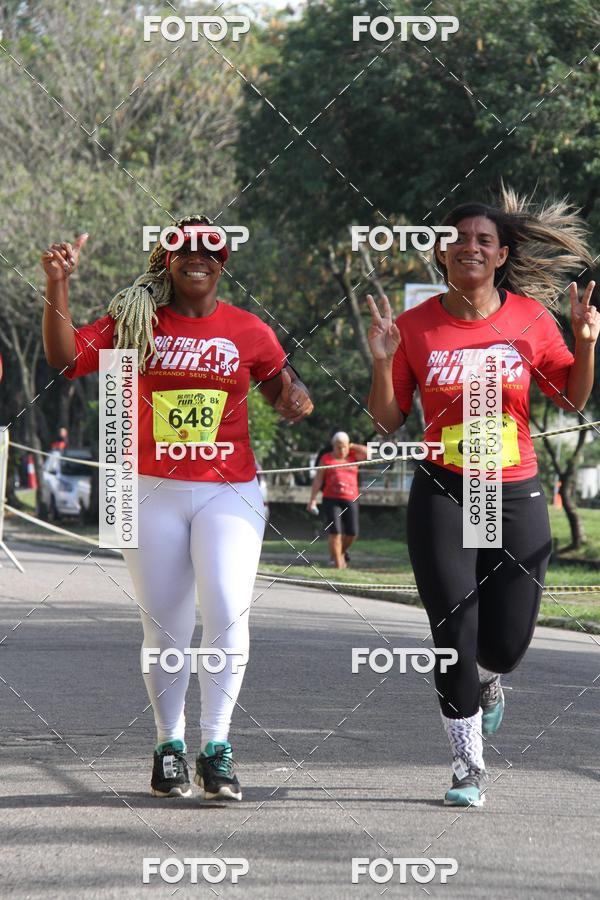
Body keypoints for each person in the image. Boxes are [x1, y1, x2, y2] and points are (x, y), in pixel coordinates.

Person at [42, 216, 313, 801]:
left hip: (228, 491)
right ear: (166, 261)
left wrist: (296, 397)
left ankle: (217, 747)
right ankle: (170, 745)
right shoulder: (137, 322)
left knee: (226, 613)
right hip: (152, 490)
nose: (197, 257)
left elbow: (281, 385)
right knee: (166, 628)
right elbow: (68, 359)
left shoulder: (248, 329)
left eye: (210, 250)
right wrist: (58, 284)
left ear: (224, 265)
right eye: (183, 248)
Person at [367, 188, 598, 807]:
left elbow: (570, 400)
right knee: (453, 630)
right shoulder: (416, 326)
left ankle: (491, 680)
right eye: (460, 238)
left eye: (483, 240)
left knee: (504, 643)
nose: (470, 246)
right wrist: (381, 361)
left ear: (500, 256)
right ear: (443, 253)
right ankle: (467, 764)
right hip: (445, 487)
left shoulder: (528, 319)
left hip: (513, 487)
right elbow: (387, 419)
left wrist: (585, 342)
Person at [307, 431, 368, 568]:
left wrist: (351, 445)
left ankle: (340, 553)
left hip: (350, 498)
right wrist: (312, 500)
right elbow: (318, 480)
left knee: (352, 532)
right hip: (331, 498)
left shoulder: (354, 457)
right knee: (335, 532)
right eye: (338, 446)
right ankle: (339, 565)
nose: (341, 450)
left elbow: (369, 453)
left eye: (344, 446)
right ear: (333, 446)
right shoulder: (326, 459)